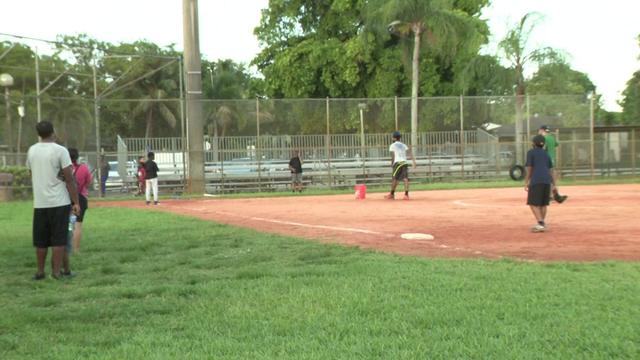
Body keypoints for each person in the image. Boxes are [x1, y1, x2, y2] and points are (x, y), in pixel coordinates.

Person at [26, 121, 80, 280]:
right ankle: (56, 273)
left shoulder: (32, 150)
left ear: (38, 134)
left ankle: (40, 272)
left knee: (40, 240)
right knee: (59, 239)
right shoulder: (60, 151)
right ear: (53, 132)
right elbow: (69, 179)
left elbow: (31, 172)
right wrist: (75, 202)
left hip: (40, 203)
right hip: (59, 202)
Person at [524, 134, 554, 232]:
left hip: (536, 180)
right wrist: (554, 183)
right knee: (543, 204)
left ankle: (541, 223)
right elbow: (551, 170)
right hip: (546, 180)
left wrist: (526, 181)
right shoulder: (546, 154)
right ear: (543, 144)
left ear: (533, 143)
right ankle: (541, 223)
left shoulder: (531, 153)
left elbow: (529, 168)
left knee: (532, 203)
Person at [68, 148, 92, 254]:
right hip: (81, 197)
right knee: (78, 224)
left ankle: (66, 249)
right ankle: (76, 249)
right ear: (77, 157)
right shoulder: (83, 168)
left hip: (66, 198)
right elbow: (89, 182)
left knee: (66, 224)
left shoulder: (64, 169)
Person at [538, 125, 568, 203]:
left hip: (545, 160)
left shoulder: (544, 138)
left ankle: (550, 196)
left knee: (548, 179)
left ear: (542, 130)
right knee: (552, 178)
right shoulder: (551, 137)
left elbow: (543, 148)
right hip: (552, 160)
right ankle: (555, 195)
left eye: (539, 130)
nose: (539, 132)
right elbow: (556, 144)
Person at [385, 131, 417, 200]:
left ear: (394, 138)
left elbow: (393, 156)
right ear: (400, 138)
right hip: (404, 162)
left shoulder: (392, 145)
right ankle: (406, 195)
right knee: (405, 178)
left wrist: (392, 164)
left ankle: (392, 194)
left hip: (398, 163)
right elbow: (410, 153)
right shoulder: (403, 145)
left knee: (394, 178)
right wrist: (414, 162)